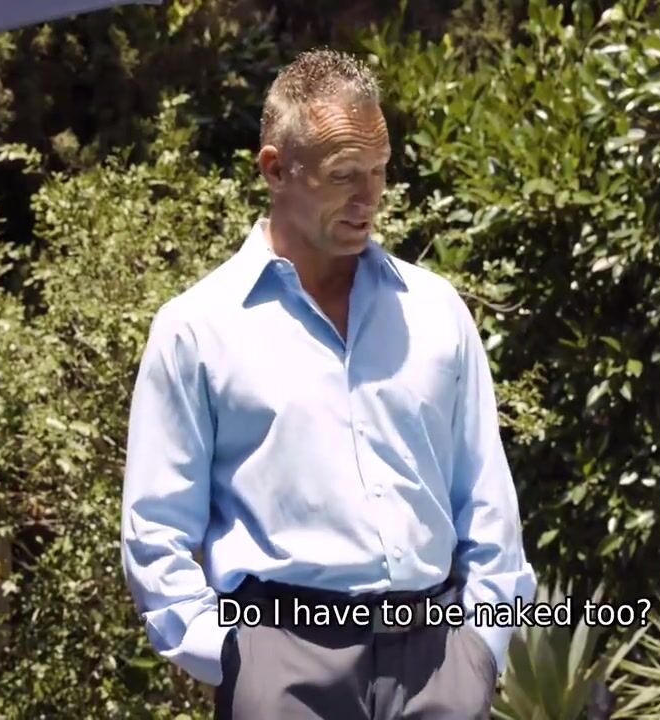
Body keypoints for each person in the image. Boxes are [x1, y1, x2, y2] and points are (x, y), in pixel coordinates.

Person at [119, 48, 537, 719]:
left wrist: (480, 650)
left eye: (379, 170)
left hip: (440, 665)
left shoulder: (436, 312)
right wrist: (234, 660)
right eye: (344, 175)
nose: (369, 197)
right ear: (275, 169)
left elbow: (487, 501)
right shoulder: (196, 329)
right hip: (281, 664)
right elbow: (155, 531)